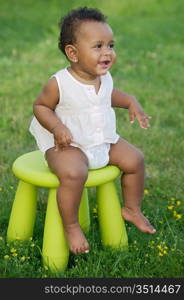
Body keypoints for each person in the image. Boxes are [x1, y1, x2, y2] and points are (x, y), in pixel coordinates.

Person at [29, 7, 156, 255]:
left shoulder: (104, 77)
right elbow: (40, 106)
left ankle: (132, 208)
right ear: (73, 53)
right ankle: (72, 225)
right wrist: (57, 127)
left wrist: (130, 101)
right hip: (67, 144)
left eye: (110, 45)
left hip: (100, 138)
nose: (107, 52)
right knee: (75, 173)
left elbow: (110, 95)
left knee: (135, 159)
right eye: (98, 46)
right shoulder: (60, 83)